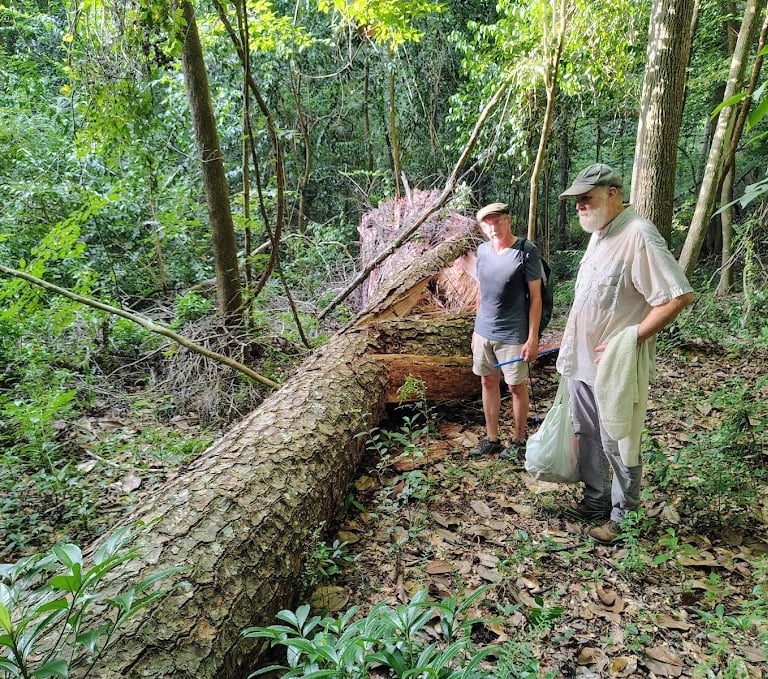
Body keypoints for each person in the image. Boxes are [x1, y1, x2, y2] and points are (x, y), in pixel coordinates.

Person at [557, 163, 694, 544]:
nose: (580, 205)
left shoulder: (639, 234)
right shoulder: (599, 235)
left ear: (612, 193)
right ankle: (596, 500)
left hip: (613, 366)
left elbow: (677, 296)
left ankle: (624, 517)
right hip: (581, 363)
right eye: (578, 200)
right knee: (588, 435)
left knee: (619, 439)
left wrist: (632, 339)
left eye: (587, 198)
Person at [471, 202, 543, 460]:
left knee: (515, 386)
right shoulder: (482, 251)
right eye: (487, 223)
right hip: (484, 331)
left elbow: (536, 297)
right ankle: (491, 438)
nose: (493, 227)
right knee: (487, 381)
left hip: (513, 334)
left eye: (497, 220)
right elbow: (482, 292)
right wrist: (475, 331)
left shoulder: (525, 251)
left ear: (509, 220)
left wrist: (532, 337)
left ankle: (518, 439)